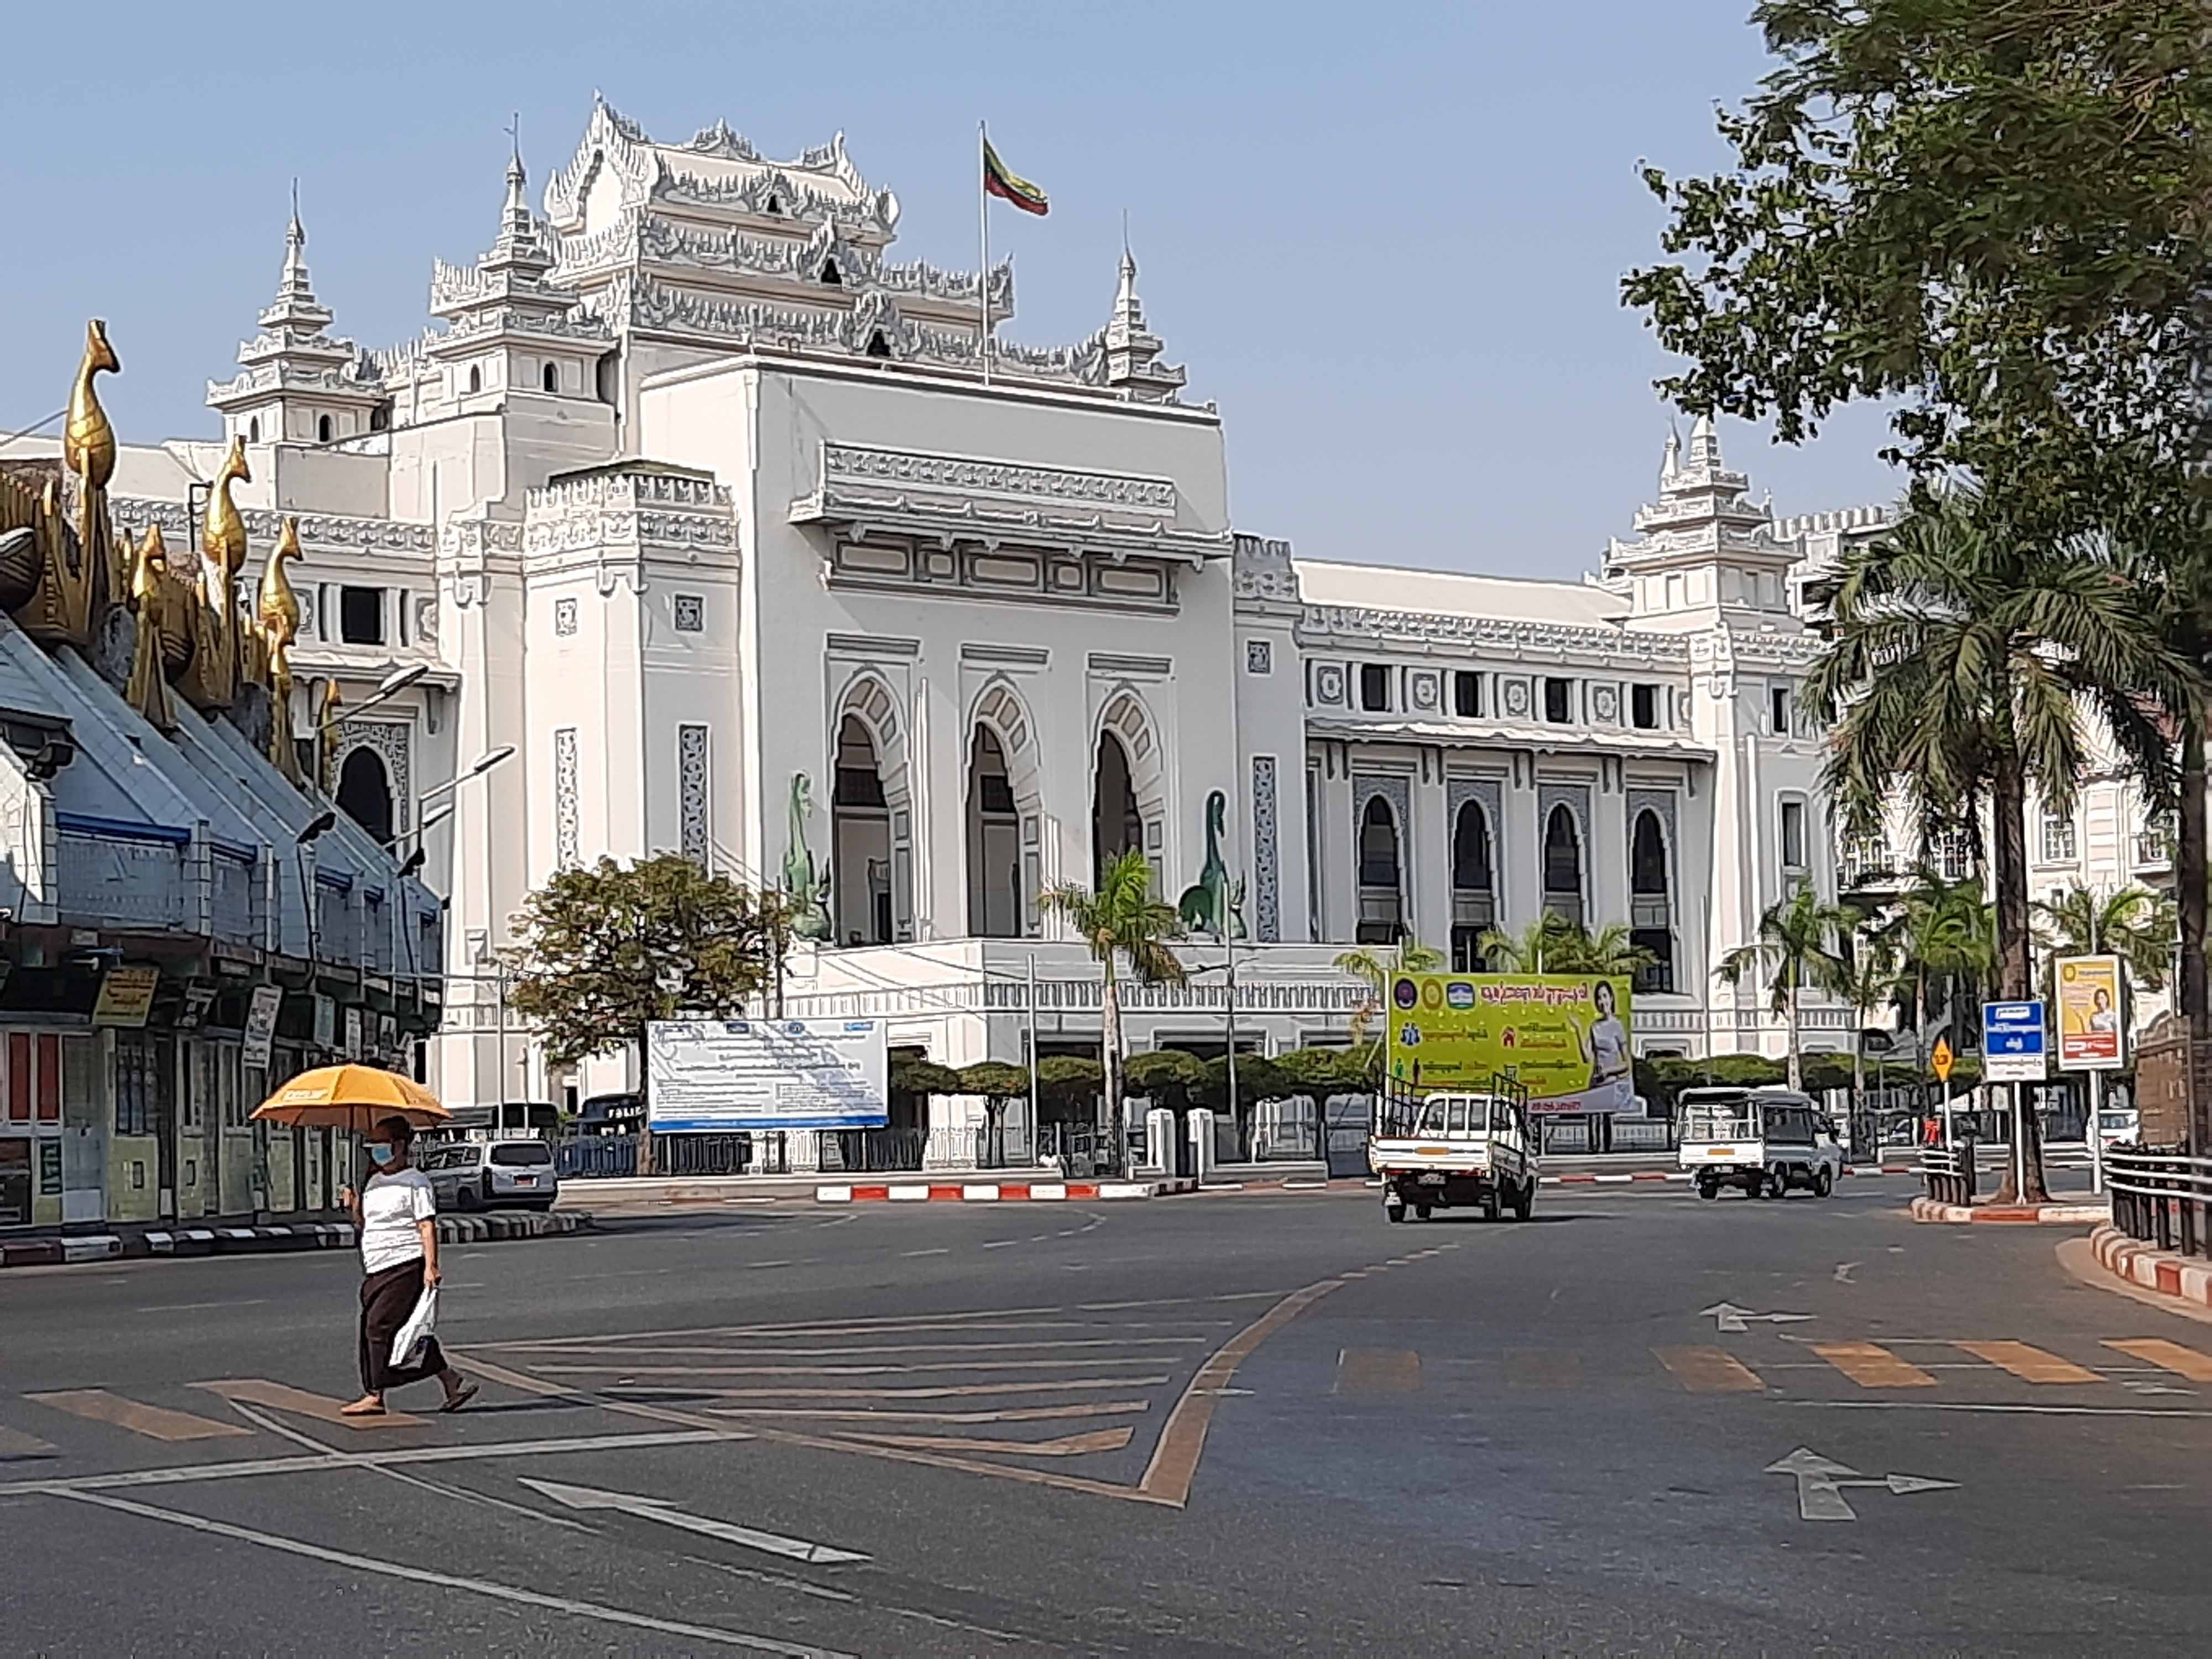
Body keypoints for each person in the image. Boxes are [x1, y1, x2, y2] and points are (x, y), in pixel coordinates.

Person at [338, 1116, 475, 1417]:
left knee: (379, 1328)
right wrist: (354, 1207)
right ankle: (452, 1381)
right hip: (376, 1268)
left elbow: (427, 1226)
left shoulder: (416, 1182)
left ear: (400, 1145)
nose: (377, 1150)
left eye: (383, 1144)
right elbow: (366, 1224)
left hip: (406, 1265)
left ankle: (375, 1395)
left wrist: (431, 1266)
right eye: (372, 1145)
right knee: (394, 1330)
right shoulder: (374, 1182)